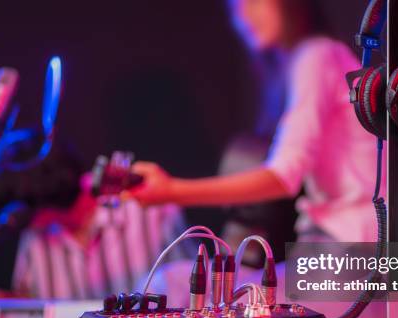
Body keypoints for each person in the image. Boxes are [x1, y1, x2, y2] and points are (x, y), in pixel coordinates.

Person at [126, 0, 384, 243]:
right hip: (333, 236)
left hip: (350, 238)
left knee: (173, 282)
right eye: (234, 8)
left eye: (253, 1)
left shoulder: (316, 55)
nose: (243, 16)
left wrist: (171, 191)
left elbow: (283, 177)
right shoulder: (300, 63)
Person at [0, 128, 190, 299]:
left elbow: (191, 295)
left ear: (37, 203)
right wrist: (3, 304)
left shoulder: (148, 210)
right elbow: (33, 307)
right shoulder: (35, 240)